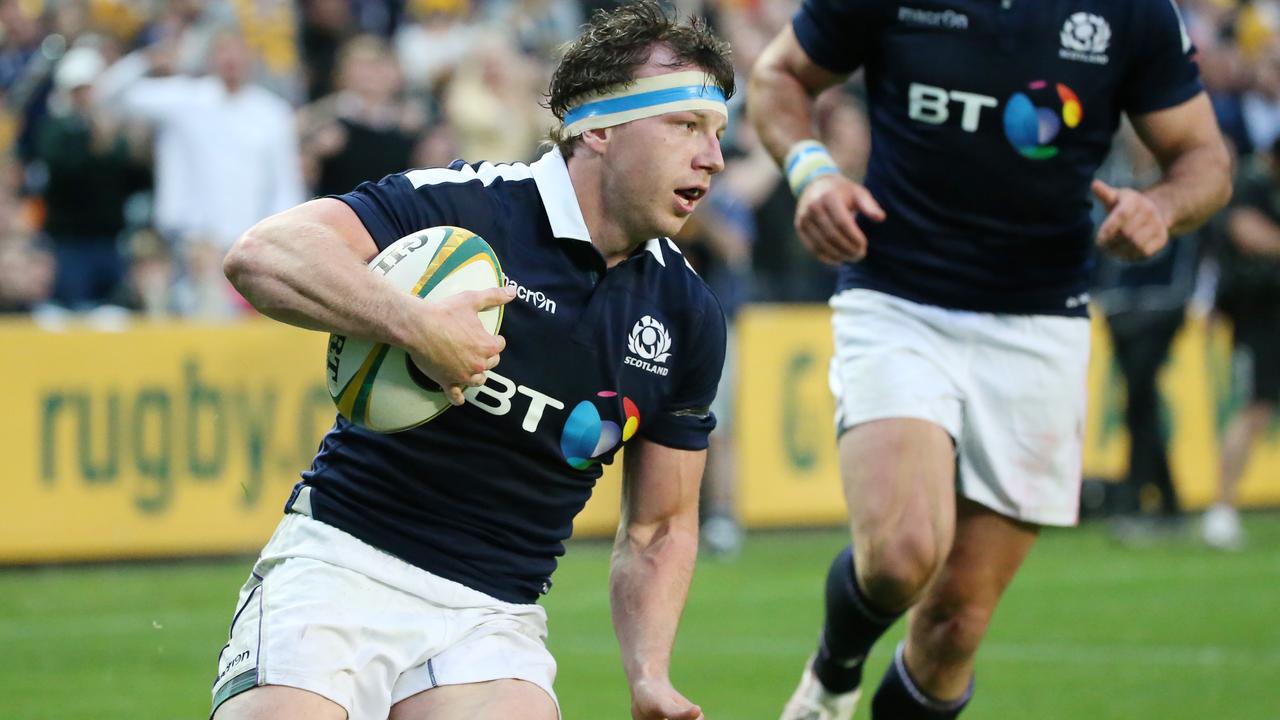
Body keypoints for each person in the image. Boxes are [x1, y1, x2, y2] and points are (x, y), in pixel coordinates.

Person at [214, 3, 732, 719]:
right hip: (340, 565)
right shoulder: (467, 207)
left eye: (718, 134)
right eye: (686, 126)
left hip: (494, 615)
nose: (713, 157)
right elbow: (261, 256)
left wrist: (648, 673)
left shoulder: (689, 315)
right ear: (601, 128)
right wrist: (417, 326)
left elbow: (659, 528)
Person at [748, 0, 1232, 718]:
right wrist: (813, 171)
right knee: (902, 554)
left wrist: (1161, 207)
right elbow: (778, 74)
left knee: (954, 626)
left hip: (1040, 321)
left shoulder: (1132, 11)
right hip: (899, 296)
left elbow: (1204, 160)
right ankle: (832, 677)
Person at [1202, 137, 1280, 550]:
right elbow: (1247, 233)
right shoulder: (1251, 182)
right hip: (1258, 318)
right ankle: (1221, 509)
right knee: (1253, 411)